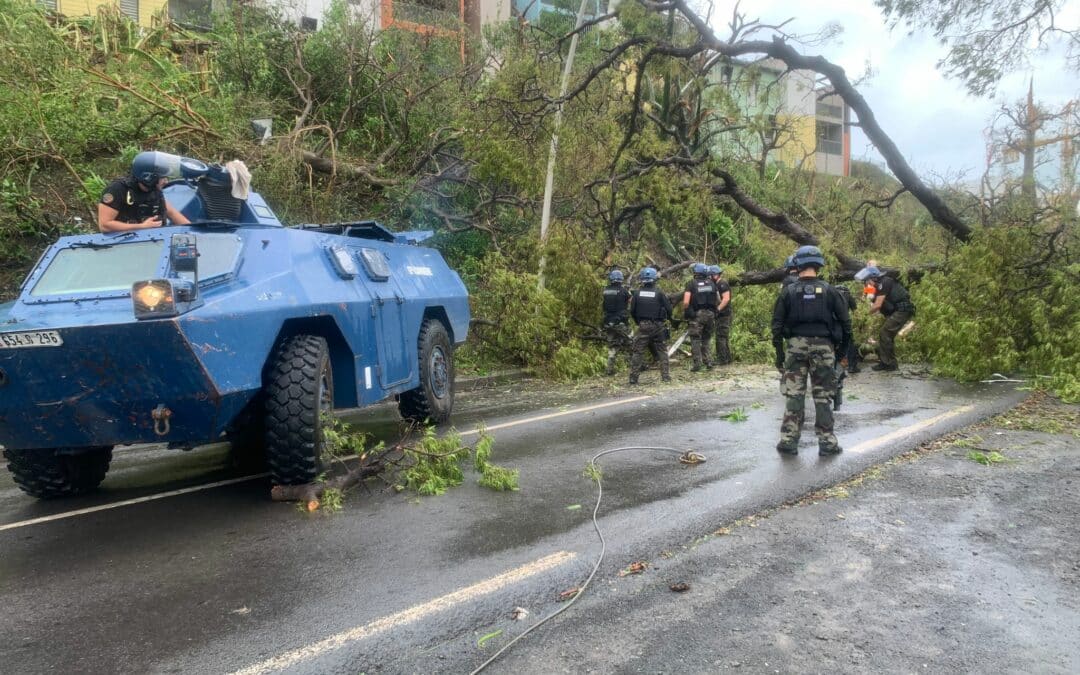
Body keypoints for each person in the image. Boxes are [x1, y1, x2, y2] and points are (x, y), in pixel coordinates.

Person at [771, 245, 852, 456]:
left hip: (795, 347)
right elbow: (846, 325)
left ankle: (789, 441)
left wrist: (780, 354)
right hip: (824, 348)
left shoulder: (788, 291)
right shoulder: (830, 291)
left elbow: (777, 326)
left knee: (794, 395)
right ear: (819, 265)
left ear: (797, 265)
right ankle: (827, 443)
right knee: (823, 396)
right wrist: (841, 353)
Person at [98, 151, 191, 232]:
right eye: (162, 178)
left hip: (154, 240)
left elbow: (171, 213)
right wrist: (141, 227)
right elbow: (105, 226)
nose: (166, 181)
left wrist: (191, 230)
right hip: (125, 243)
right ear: (148, 177)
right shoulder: (118, 189)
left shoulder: (153, 188)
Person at [855, 265, 916, 372]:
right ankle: (890, 363)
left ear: (873, 278)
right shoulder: (878, 285)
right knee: (887, 335)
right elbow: (870, 299)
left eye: (867, 281)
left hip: (902, 310)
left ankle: (888, 364)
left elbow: (878, 305)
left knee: (885, 333)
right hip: (896, 311)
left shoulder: (884, 283)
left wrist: (864, 314)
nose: (866, 284)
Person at [629, 267, 672, 385]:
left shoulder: (637, 294)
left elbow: (632, 311)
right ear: (654, 280)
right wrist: (667, 319)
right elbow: (669, 308)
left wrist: (638, 322)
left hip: (643, 325)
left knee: (638, 351)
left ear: (642, 280)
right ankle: (666, 377)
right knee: (662, 351)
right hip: (658, 325)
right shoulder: (659, 293)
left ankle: (633, 378)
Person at [682, 263, 718, 372]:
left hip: (697, 315)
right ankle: (709, 362)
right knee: (706, 339)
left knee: (695, 339)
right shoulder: (712, 284)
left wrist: (688, 312)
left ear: (696, 273)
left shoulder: (691, 284)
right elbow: (719, 300)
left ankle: (697, 364)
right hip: (710, 315)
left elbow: (686, 302)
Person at [601, 270, 632, 376]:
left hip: (608, 322)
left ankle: (609, 369)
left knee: (612, 346)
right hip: (621, 323)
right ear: (621, 279)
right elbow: (630, 301)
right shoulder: (624, 291)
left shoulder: (605, 290)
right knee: (632, 341)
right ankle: (637, 366)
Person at [832, 281, 860, 373]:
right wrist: (859, 325)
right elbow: (856, 313)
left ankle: (833, 366)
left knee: (832, 343)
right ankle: (852, 366)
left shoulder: (830, 295)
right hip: (845, 321)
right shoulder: (848, 295)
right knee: (850, 342)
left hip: (833, 323)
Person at [709, 264, 733, 365]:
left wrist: (718, 309)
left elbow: (726, 299)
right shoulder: (716, 284)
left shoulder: (722, 284)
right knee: (723, 336)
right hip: (721, 314)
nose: (710, 277)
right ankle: (727, 358)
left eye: (711, 275)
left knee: (721, 337)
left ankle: (722, 359)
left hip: (724, 314)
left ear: (716, 275)